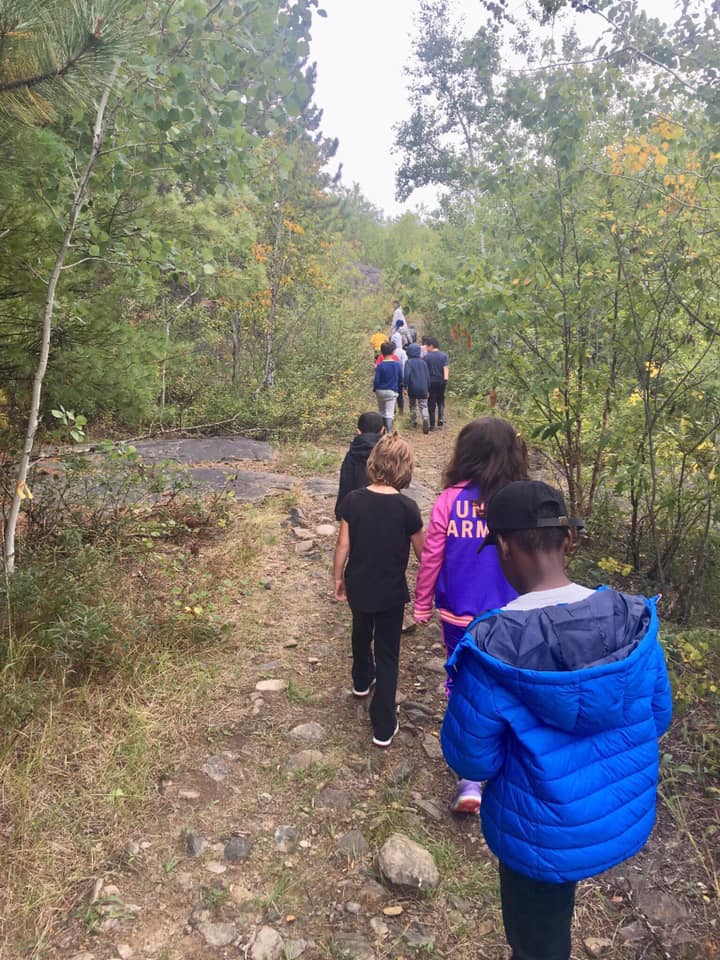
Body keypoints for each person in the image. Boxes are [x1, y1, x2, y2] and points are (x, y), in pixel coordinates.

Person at [441, 480, 672, 960]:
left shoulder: (491, 645)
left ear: (502, 545)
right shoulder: (634, 620)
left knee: (537, 945)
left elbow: (471, 759)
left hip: (537, 836)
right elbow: (658, 715)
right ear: (568, 540)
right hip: (617, 817)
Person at [414, 417, 528, 813]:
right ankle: (510, 763)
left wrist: (422, 602)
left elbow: (432, 556)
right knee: (510, 684)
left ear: (466, 453)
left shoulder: (449, 499)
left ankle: (470, 779)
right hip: (513, 617)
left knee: (463, 686)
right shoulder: (520, 500)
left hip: (458, 616)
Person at [333, 434, 425, 747]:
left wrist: (337, 576)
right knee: (388, 653)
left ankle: (361, 680)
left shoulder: (353, 500)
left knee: (360, 631)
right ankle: (383, 725)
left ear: (373, 463)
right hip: (390, 592)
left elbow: (343, 544)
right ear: (405, 468)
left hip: (358, 583)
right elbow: (422, 553)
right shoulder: (408, 508)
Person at [334, 412, 385, 521]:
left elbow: (346, 484)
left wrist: (340, 512)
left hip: (356, 510)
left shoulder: (352, 454)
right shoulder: (387, 452)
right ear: (382, 430)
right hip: (383, 509)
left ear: (358, 431)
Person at [373, 341, 403, 434]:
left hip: (380, 391)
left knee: (381, 411)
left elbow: (376, 380)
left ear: (381, 352)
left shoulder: (380, 366)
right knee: (389, 412)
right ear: (393, 352)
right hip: (391, 391)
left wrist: (375, 389)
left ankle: (382, 432)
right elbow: (400, 379)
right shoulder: (397, 365)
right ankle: (389, 432)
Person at [403, 343, 431, 433]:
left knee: (412, 405)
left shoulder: (408, 362)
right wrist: (428, 388)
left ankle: (414, 421)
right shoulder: (423, 362)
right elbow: (427, 376)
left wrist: (405, 386)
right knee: (423, 405)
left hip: (412, 387)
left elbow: (407, 375)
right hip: (423, 387)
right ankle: (425, 418)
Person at [423, 337, 449, 429]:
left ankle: (432, 425)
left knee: (431, 402)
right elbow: (445, 369)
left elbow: (425, 371)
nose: (426, 348)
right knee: (441, 400)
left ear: (431, 346)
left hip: (431, 382)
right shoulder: (444, 356)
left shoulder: (426, 357)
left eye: (427, 346)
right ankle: (441, 418)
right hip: (441, 381)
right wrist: (445, 380)